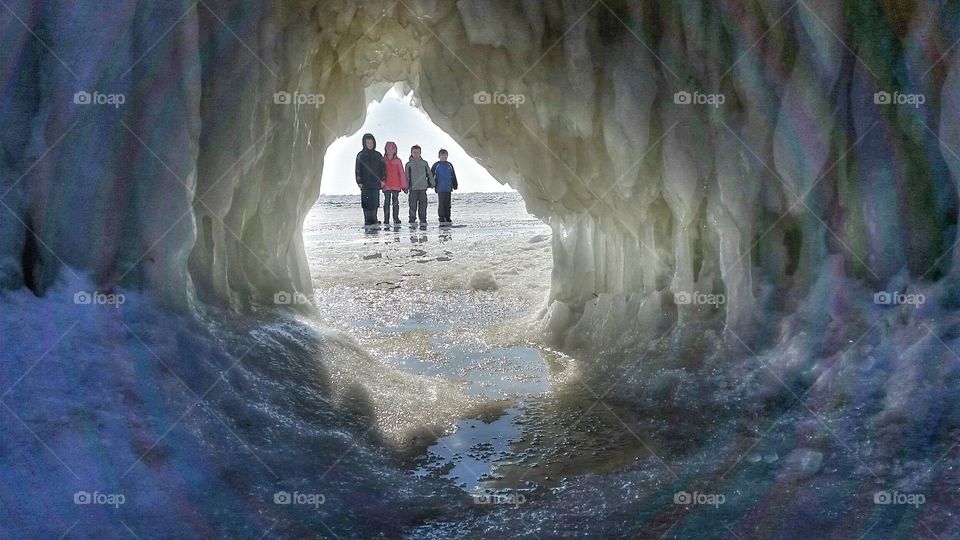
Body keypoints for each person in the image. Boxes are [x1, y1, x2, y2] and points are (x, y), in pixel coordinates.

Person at [355, 133, 385, 227]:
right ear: (364, 143)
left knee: (375, 202)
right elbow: (357, 169)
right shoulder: (361, 155)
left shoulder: (378, 155)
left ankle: (374, 219)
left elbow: (382, 169)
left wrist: (383, 180)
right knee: (366, 203)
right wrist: (359, 181)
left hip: (375, 183)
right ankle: (367, 220)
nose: (370, 144)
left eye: (371, 142)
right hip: (365, 183)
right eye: (368, 142)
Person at [404, 144, 434, 225]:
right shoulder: (408, 164)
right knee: (412, 205)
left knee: (423, 204)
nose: (416, 154)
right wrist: (405, 187)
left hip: (422, 188)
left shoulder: (424, 163)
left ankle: (423, 219)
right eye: (414, 152)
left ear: (420, 153)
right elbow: (406, 176)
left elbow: (429, 173)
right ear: (411, 153)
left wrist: (432, 183)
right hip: (413, 188)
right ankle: (412, 219)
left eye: (418, 152)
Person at [381, 141, 407, 226]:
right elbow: (379, 172)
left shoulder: (398, 161)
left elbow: (402, 174)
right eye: (388, 149)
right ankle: (386, 219)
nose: (390, 150)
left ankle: (396, 218)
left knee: (395, 202)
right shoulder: (382, 160)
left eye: (392, 149)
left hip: (396, 185)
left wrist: (404, 186)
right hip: (386, 185)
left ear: (395, 150)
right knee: (386, 202)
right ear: (386, 149)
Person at [430, 149, 459, 225]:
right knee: (441, 204)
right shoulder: (436, 165)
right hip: (440, 188)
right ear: (439, 156)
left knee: (448, 204)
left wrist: (455, 184)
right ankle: (441, 217)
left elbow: (453, 175)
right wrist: (430, 184)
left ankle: (448, 216)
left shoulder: (449, 165)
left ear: (447, 156)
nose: (444, 158)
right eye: (442, 156)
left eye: (445, 156)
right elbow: (431, 174)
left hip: (448, 188)